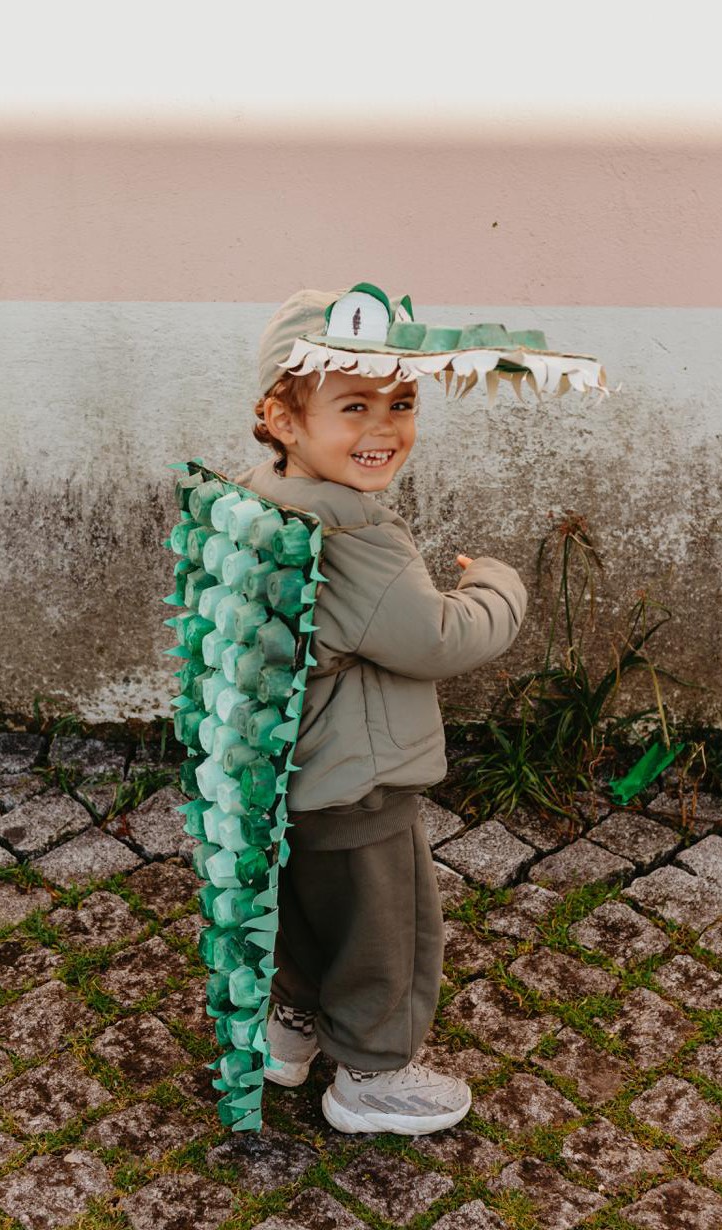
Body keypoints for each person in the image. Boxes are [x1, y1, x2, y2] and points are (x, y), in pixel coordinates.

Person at [234, 286, 528, 1135]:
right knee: (388, 935)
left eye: (401, 403)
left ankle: (289, 1029)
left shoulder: (257, 500)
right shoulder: (356, 537)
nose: (385, 426)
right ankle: (371, 1076)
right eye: (354, 405)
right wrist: (497, 584)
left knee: (302, 912)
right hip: (359, 786)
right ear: (282, 419)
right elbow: (437, 637)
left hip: (284, 778)